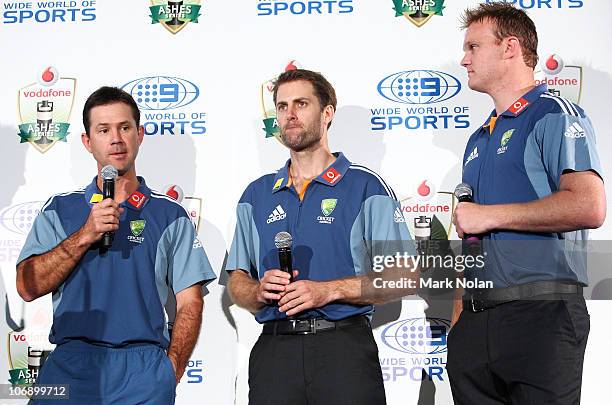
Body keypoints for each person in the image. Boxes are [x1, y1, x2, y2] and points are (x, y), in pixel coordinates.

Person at [225, 68, 415, 405]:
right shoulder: (255, 195)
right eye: (282, 107)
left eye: (301, 103)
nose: (290, 115)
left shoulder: (365, 185)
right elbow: (237, 281)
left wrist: (327, 291)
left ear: (327, 113)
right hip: (274, 351)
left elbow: (404, 276)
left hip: (342, 351)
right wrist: (257, 290)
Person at [16, 86, 216, 404]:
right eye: (104, 129)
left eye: (124, 128)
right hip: (71, 365)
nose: (116, 139)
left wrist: (170, 370)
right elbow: (28, 287)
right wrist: (85, 234)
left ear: (139, 134)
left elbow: (190, 302)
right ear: (87, 141)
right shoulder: (59, 210)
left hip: (143, 371)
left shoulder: (170, 215)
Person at [449, 3, 606, 405]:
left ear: (510, 48)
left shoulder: (552, 113)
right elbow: (469, 236)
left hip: (542, 312)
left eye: (472, 46)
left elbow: (589, 206)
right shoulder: (477, 139)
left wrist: (488, 216)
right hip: (476, 322)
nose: (463, 59)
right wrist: (458, 319)